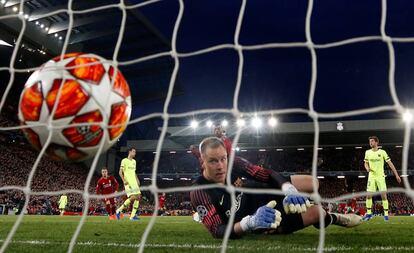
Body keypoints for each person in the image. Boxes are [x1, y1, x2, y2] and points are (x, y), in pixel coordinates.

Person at [190, 137, 362, 238]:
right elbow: (217, 230)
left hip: (260, 191)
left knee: (312, 182)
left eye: (223, 159)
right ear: (202, 161)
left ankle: (303, 204)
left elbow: (266, 174)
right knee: (317, 212)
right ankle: (333, 217)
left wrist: (288, 189)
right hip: (258, 215)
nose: (220, 166)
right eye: (213, 161)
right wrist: (248, 223)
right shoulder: (199, 191)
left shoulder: (233, 162)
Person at [362, 136, 401, 221]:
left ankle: (386, 215)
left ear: (376, 142)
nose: (370, 143)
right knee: (368, 195)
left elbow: (390, 163)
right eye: (370, 141)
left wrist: (396, 175)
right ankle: (369, 214)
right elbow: (365, 163)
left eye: (372, 141)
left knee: (384, 196)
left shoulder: (382, 152)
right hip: (371, 177)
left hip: (380, 176)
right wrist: (367, 168)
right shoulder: (367, 152)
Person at [116, 147, 141, 220]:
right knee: (133, 197)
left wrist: (137, 180)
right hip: (128, 182)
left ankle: (132, 216)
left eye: (135, 152)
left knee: (138, 197)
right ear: (130, 152)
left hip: (134, 182)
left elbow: (134, 172)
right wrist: (124, 180)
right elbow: (120, 172)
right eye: (134, 151)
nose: (135, 153)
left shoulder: (134, 161)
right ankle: (119, 210)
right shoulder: (124, 160)